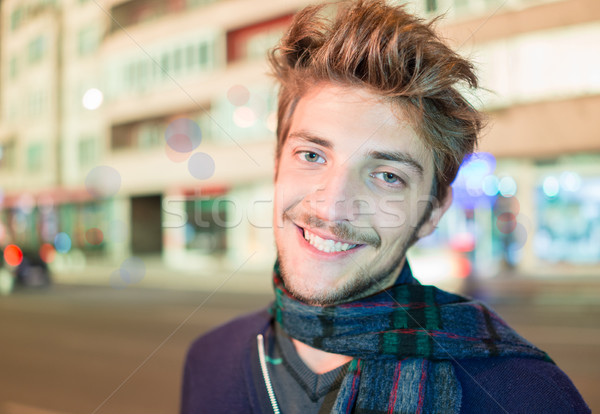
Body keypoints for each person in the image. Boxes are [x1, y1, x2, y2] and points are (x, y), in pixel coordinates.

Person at [181, 1, 590, 412]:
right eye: (311, 155)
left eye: (387, 176)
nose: (333, 207)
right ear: (276, 165)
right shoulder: (210, 362)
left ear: (432, 211)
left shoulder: (524, 395)